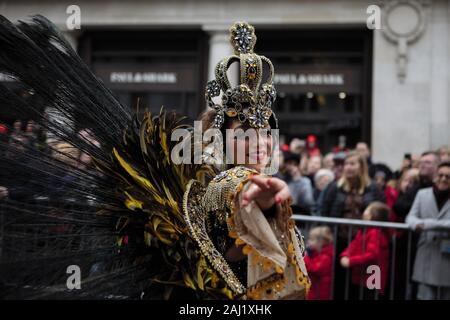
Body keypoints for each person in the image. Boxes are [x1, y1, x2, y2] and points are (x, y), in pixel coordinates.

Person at [0, 18, 310, 300]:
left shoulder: (211, 183)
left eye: (267, 132)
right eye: (246, 130)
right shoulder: (226, 184)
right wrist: (263, 204)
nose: (261, 141)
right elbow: (236, 203)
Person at [405, 162, 450, 300]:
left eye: (448, 176)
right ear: (435, 176)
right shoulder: (422, 194)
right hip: (427, 253)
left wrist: (429, 224)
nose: (443, 179)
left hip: (447, 257)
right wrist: (416, 224)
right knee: (424, 295)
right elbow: (410, 217)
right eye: (440, 175)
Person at [340, 201, 390, 300]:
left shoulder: (375, 233)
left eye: (367, 209)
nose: (364, 212)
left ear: (372, 216)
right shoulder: (363, 231)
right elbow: (353, 246)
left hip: (372, 278)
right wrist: (345, 255)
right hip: (361, 276)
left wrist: (351, 261)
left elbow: (372, 254)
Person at [304, 226, 334, 300]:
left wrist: (305, 257)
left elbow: (315, 269)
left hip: (320, 291)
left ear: (321, 242)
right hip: (314, 289)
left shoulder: (326, 257)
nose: (308, 242)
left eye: (312, 240)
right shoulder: (315, 253)